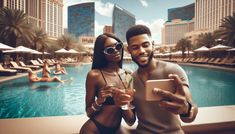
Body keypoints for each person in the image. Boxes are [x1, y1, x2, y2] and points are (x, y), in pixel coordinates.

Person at [114, 24, 198, 134]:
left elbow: (189, 116)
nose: (141, 51)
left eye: (145, 45)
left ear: (153, 45)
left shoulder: (173, 70)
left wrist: (186, 109)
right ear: (129, 50)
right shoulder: (130, 79)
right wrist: (122, 105)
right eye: (135, 47)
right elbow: (131, 121)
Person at [80, 33, 136, 134]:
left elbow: (130, 121)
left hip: (117, 129)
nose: (116, 51)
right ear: (102, 53)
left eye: (118, 46)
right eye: (110, 50)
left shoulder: (128, 75)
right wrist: (99, 101)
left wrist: (123, 104)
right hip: (93, 129)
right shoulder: (94, 75)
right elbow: (89, 113)